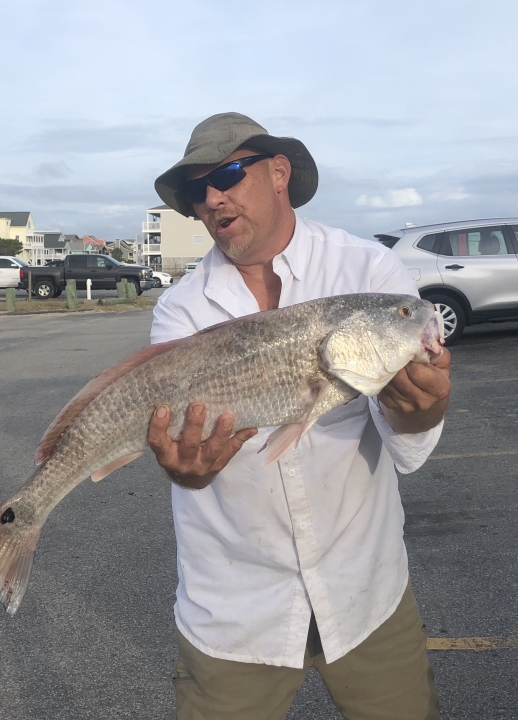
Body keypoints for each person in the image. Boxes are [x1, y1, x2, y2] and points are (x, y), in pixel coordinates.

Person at [148, 112, 451, 720]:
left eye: (228, 173)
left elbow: (409, 437)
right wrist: (186, 470)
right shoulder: (179, 311)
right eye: (195, 190)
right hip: (235, 606)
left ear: (279, 171)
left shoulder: (367, 272)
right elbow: (183, 459)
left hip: (365, 591)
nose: (211, 198)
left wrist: (426, 407)